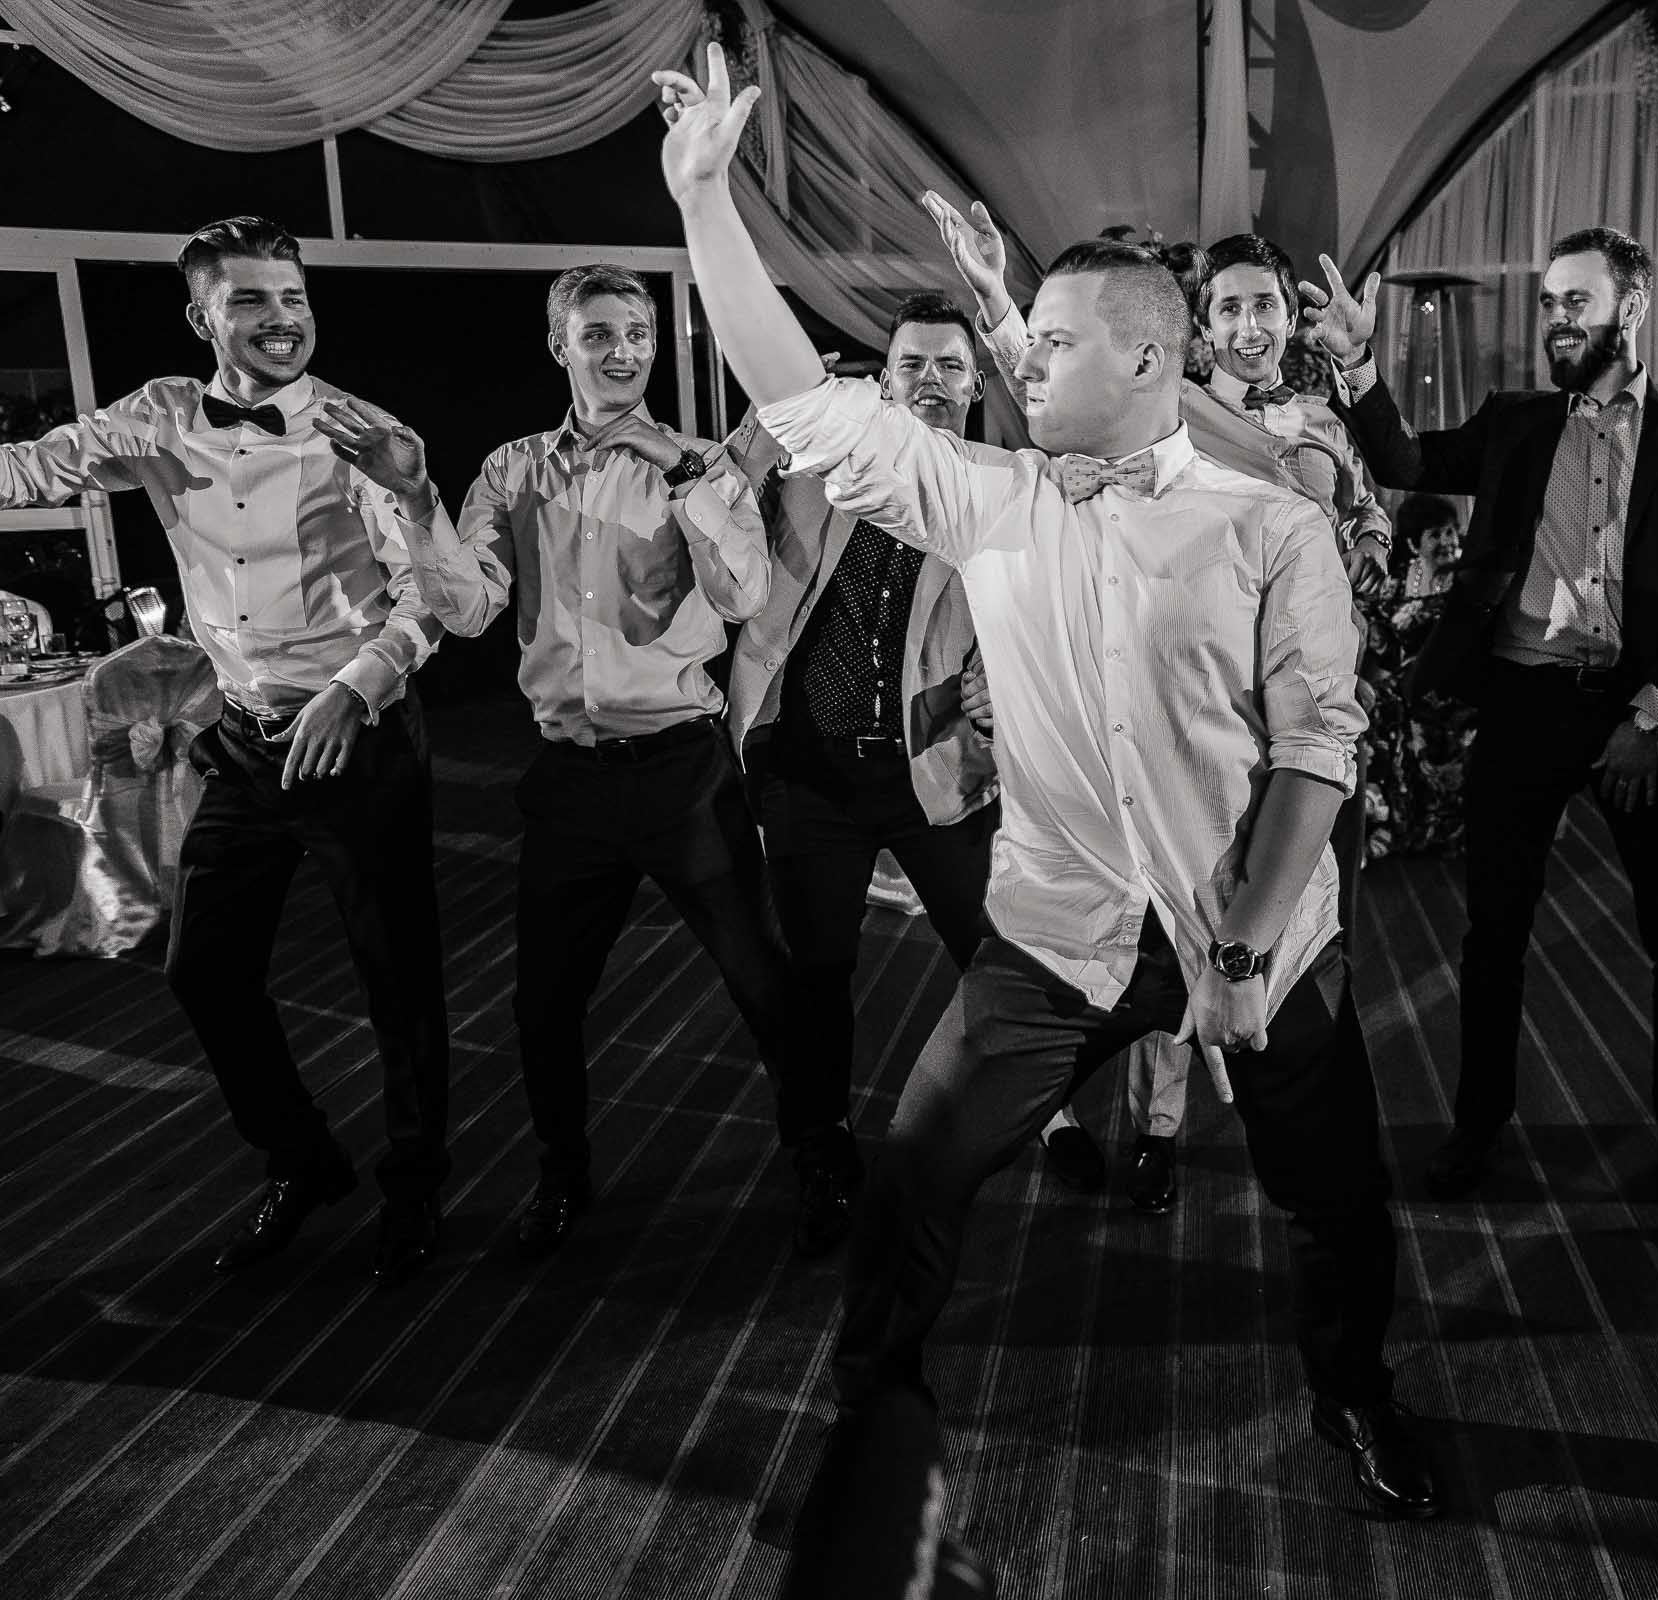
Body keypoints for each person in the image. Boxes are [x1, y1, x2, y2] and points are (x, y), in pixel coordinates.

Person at [655, 47, 1440, 1520]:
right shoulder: (991, 501)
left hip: (1263, 929)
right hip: (1053, 933)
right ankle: (877, 1409)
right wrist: (706, 203)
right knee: (912, 1178)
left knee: (1335, 1198)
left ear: (1148, 360)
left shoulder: (1271, 528)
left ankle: (1356, 1396)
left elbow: (1315, 754)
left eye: (1051, 342)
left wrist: (1246, 954)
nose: (1021, 364)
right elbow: (798, 400)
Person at [0, 216, 453, 1284]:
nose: (280, 319)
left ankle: (416, 1186)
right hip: (244, 744)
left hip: (361, 735)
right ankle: (300, 1157)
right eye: (250, 300)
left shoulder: (362, 432)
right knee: (202, 968)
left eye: (292, 298)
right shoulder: (159, 416)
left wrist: (356, 686)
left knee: (400, 982)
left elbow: (436, 596)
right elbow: (30, 468)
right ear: (202, 316)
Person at [927, 207, 1397, 1216]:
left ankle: (1294, 1134)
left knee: (1296, 938)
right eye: (1226, 306)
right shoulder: (1170, 408)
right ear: (1196, 326)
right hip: (1198, 701)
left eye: (1263, 303)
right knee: (1158, 919)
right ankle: (1157, 1130)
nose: (1248, 323)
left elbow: (1373, 524)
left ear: (1286, 318)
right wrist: (998, 303)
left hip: (1303, 713)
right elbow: (1056, 390)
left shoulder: (1319, 424)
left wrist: (1355, 394)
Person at [1305, 226, 1658, 1210]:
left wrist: (1654, 711)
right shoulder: (1514, 423)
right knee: (1494, 930)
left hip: (1642, 710)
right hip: (1525, 698)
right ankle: (1477, 1126)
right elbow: (1406, 455)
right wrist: (1359, 362)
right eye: (1548, 303)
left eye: (1575, 303)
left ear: (1631, 310)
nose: (1555, 319)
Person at [383, 264, 811, 1259]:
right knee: (542, 1005)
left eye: (637, 333)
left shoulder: (699, 461)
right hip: (570, 782)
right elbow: (470, 607)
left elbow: (744, 596)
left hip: (682, 773)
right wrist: (414, 502)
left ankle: (819, 1152)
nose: (621, 350)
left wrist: (692, 480)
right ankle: (562, 1174)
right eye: (599, 333)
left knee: (763, 984)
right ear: (559, 345)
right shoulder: (510, 468)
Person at [723, 293, 1001, 1253]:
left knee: (999, 961)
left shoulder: (998, 487)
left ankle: (1013, 1120)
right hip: (809, 770)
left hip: (934, 771)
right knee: (818, 976)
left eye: (950, 366)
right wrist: (752, 443)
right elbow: (721, 558)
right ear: (882, 379)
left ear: (976, 384)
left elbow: (1046, 606)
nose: (931, 381)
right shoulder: (811, 467)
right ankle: (821, 1149)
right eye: (912, 364)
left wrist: (995, 676)